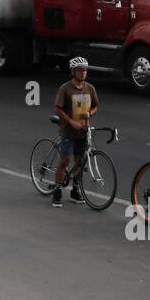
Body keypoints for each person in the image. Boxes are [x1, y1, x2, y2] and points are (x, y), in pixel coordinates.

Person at [50, 57, 99, 205]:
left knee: (79, 162)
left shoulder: (90, 88)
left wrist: (90, 113)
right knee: (65, 160)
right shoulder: (65, 89)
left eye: (85, 70)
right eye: (80, 70)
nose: (83, 73)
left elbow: (96, 106)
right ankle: (57, 190)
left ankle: (75, 190)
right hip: (68, 131)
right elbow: (57, 109)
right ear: (73, 72)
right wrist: (70, 121)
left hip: (83, 131)